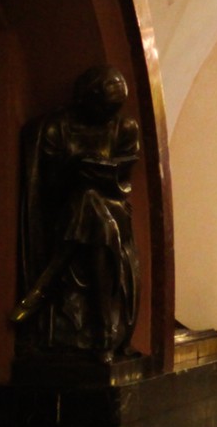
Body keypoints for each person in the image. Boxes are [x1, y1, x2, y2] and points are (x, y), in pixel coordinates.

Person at [15, 65, 143, 356]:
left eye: (115, 108)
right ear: (86, 98)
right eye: (105, 107)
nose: (109, 115)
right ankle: (104, 327)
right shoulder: (57, 128)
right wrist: (75, 169)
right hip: (63, 208)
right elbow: (48, 185)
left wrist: (101, 173)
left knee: (92, 204)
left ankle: (45, 283)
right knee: (88, 204)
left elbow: (124, 180)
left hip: (113, 207)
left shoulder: (124, 127)